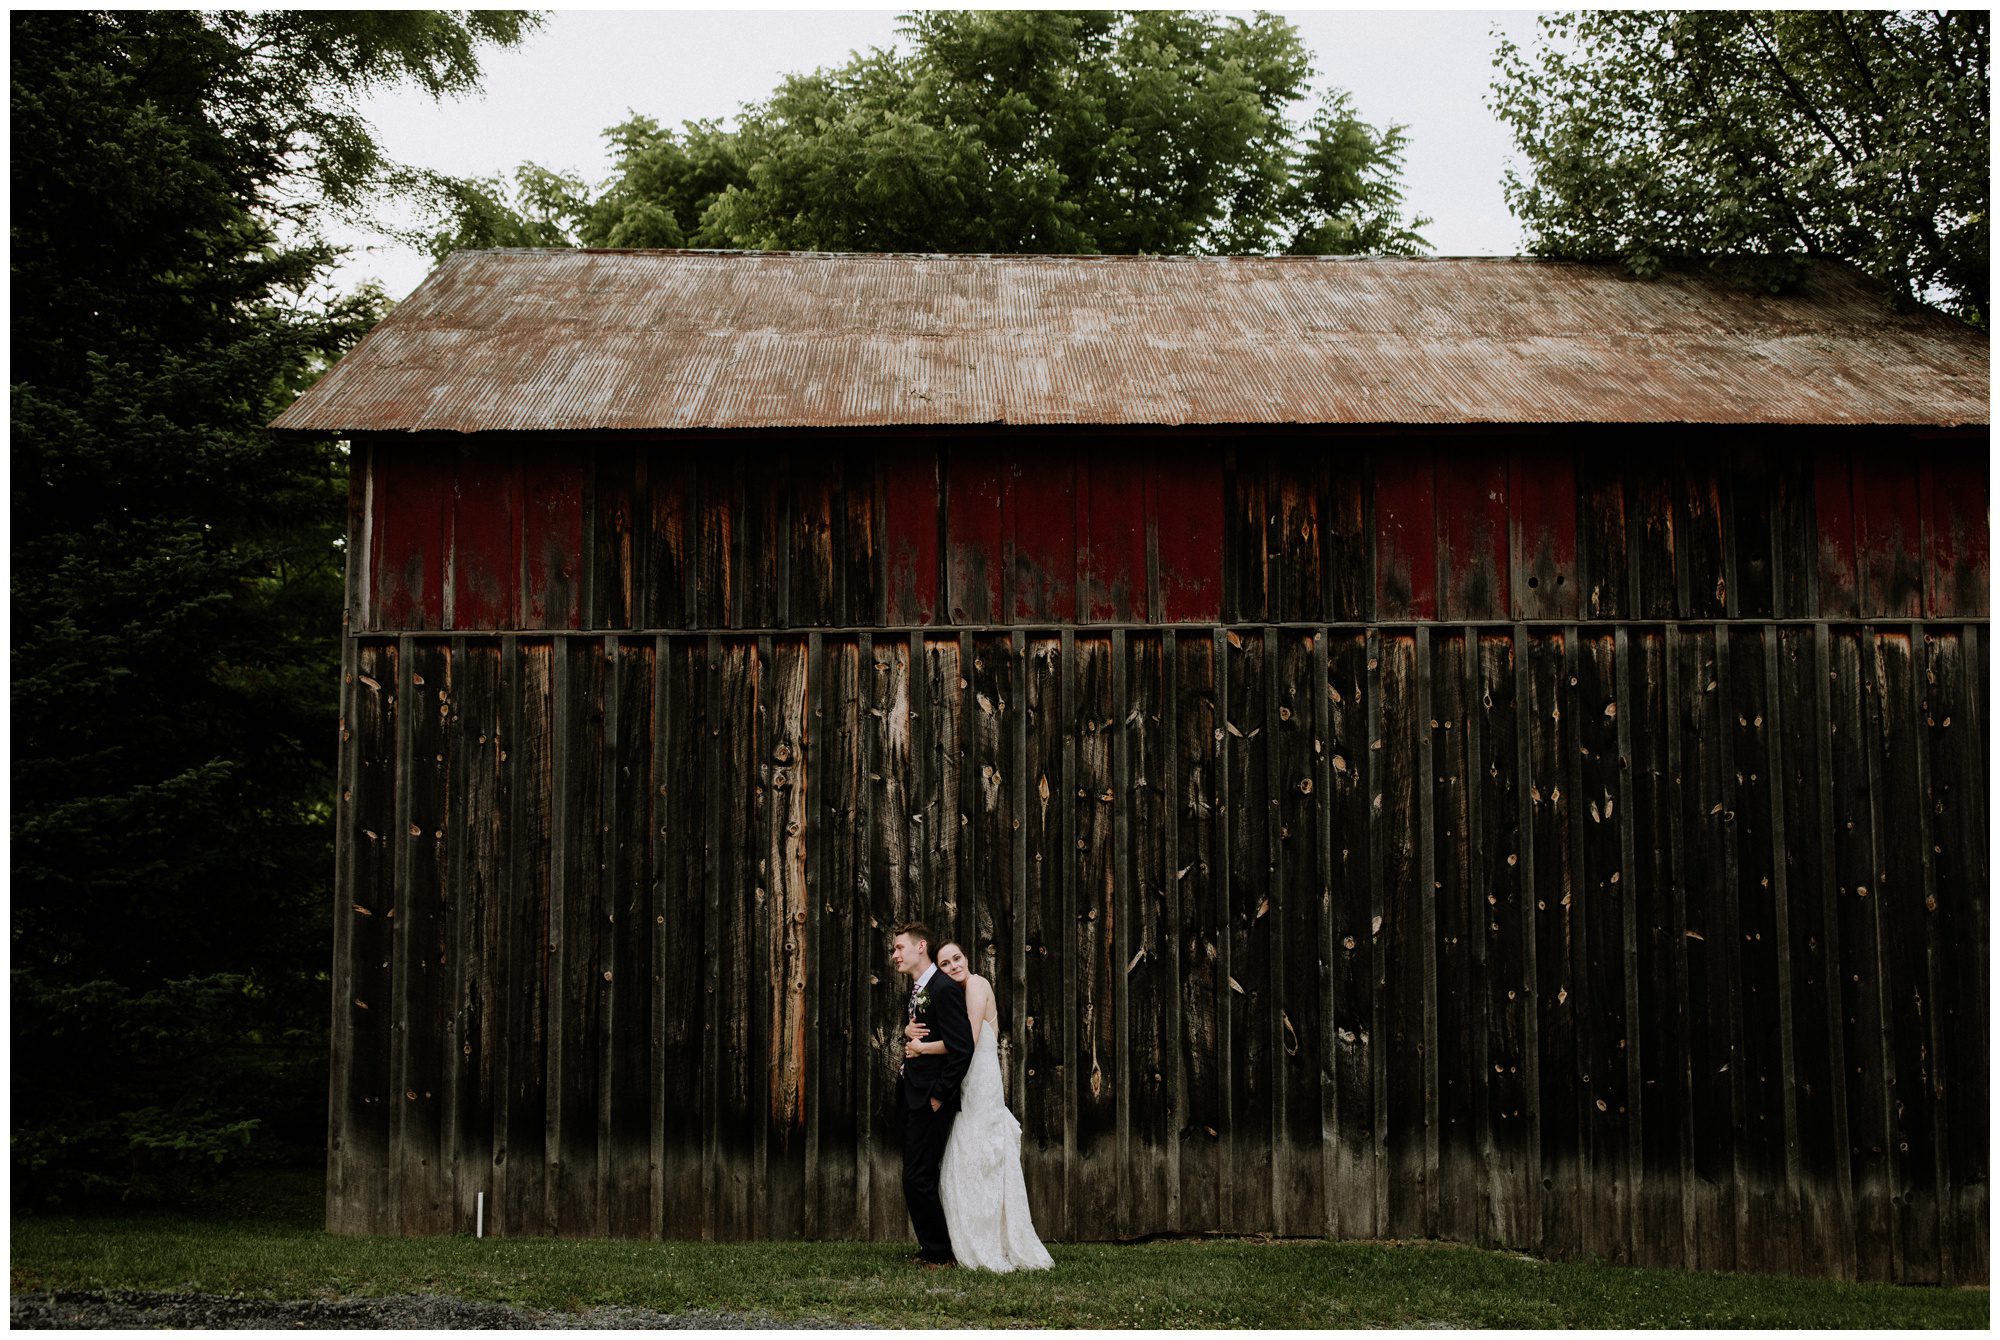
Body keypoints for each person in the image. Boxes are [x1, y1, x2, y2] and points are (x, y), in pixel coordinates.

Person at [904, 941, 1054, 1272]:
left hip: (979, 1082)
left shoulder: (975, 985)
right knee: (965, 1157)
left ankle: (986, 1243)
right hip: (968, 1081)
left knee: (981, 1156)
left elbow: (966, 1043)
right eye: (945, 963)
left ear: (967, 958)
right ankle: (963, 1240)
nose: (953, 966)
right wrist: (908, 1030)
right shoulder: (954, 993)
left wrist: (921, 1049)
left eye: (957, 958)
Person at [890, 921, 972, 1267]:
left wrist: (939, 1094)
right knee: (915, 1174)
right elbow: (921, 1039)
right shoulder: (918, 990)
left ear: (920, 946)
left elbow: (962, 1047)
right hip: (912, 1092)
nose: (894, 955)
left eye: (899, 948)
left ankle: (939, 1254)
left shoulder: (942, 988)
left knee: (917, 1176)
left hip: (930, 1098)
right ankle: (931, 1249)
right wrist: (906, 1032)